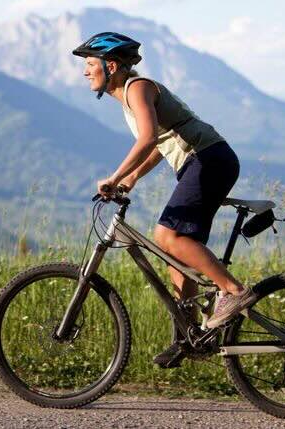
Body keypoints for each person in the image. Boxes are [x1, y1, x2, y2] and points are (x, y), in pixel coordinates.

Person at [72, 32, 256, 367]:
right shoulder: (129, 97)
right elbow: (159, 143)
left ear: (110, 65)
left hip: (207, 159)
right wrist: (131, 179)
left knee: (166, 236)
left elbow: (146, 139)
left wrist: (114, 177)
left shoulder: (137, 88)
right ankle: (189, 338)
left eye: (89, 64)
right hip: (202, 162)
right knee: (177, 261)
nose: (85, 72)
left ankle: (233, 292)